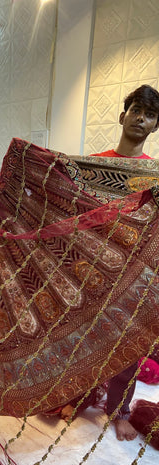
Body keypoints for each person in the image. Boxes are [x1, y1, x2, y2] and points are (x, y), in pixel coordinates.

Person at [61, 84, 159, 441]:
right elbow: (73, 207)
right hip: (92, 270)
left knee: (127, 348)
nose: (141, 118)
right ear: (123, 116)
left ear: (155, 126)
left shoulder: (154, 175)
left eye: (149, 115)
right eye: (136, 110)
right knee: (80, 339)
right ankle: (76, 396)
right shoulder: (95, 165)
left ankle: (118, 411)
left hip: (134, 275)